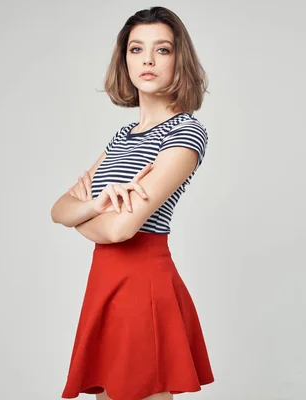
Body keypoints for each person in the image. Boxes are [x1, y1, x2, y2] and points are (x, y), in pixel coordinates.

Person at [50, 6, 214, 400]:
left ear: (179, 60)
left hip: (144, 286)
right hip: (106, 284)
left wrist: (84, 213)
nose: (148, 60)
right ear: (124, 60)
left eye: (163, 50)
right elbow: (58, 209)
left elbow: (122, 229)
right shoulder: (124, 136)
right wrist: (93, 209)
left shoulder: (185, 132)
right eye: (137, 49)